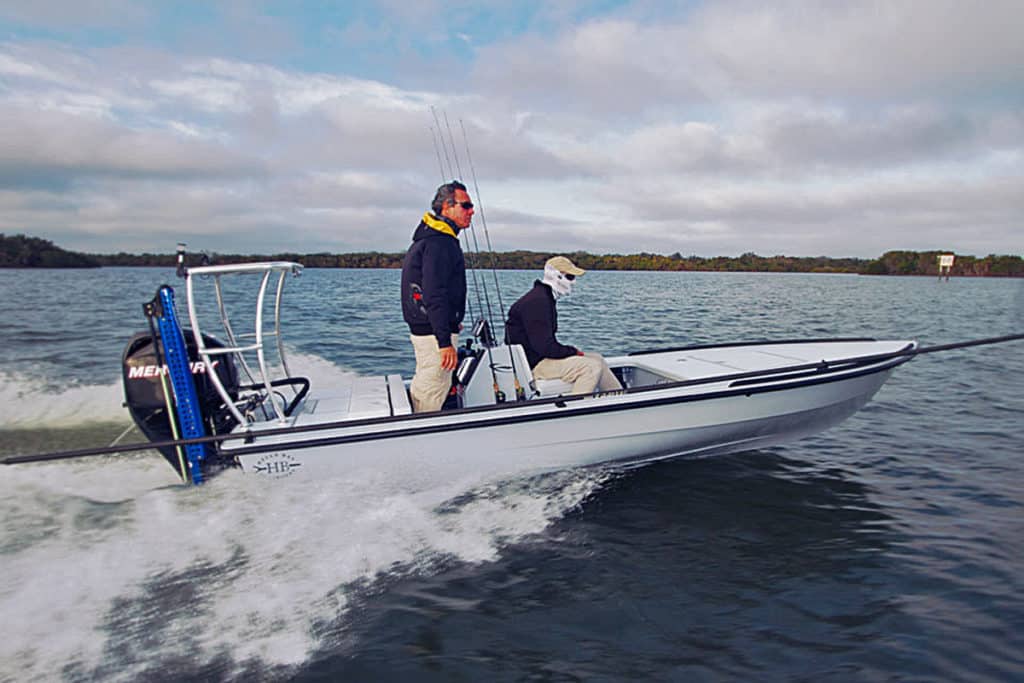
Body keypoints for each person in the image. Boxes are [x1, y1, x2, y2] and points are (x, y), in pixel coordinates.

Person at [400, 181, 474, 412]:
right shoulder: (440, 242)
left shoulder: (434, 238)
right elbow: (434, 293)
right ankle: (418, 437)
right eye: (466, 205)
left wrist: (452, 321)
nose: (472, 211)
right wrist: (444, 341)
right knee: (432, 387)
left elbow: (434, 291)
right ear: (446, 207)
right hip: (433, 334)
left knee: (429, 382)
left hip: (431, 328)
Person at [505, 256, 623, 395]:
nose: (574, 283)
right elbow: (545, 347)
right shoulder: (537, 302)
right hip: (535, 364)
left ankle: (620, 399)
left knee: (597, 358)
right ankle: (578, 410)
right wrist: (573, 351)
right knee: (591, 367)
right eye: (571, 277)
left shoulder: (544, 297)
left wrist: (572, 352)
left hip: (538, 358)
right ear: (557, 276)